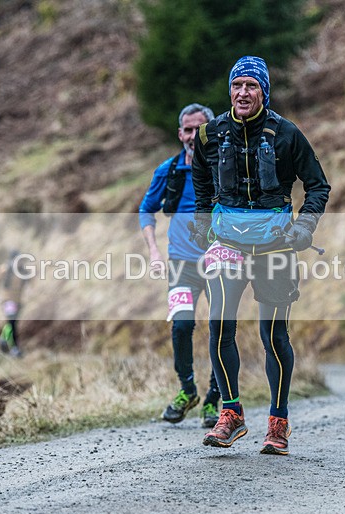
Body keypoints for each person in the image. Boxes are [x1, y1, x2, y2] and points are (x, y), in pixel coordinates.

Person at [191, 56, 330, 455]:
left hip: (276, 245)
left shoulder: (288, 134)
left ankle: (278, 422)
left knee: (273, 335)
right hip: (228, 243)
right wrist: (202, 220)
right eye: (237, 86)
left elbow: (318, 185)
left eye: (251, 86)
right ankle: (231, 413)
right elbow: (201, 180)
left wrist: (304, 227)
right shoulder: (210, 134)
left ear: (264, 92)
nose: (243, 93)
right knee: (219, 326)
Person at [138, 102, 221, 428]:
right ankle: (188, 391)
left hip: (219, 263)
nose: (193, 136)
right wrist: (154, 251)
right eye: (188, 130)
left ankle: (214, 400)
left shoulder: (223, 167)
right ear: (179, 133)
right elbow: (146, 210)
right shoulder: (169, 170)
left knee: (221, 327)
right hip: (181, 265)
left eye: (199, 129)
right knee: (182, 325)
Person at [0, 250, 29, 358]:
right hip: (7, 300)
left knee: (11, 323)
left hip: (18, 300)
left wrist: (29, 293)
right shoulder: (5, 269)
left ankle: (3, 338)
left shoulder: (23, 270)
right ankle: (14, 348)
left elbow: (30, 282)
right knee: (12, 323)